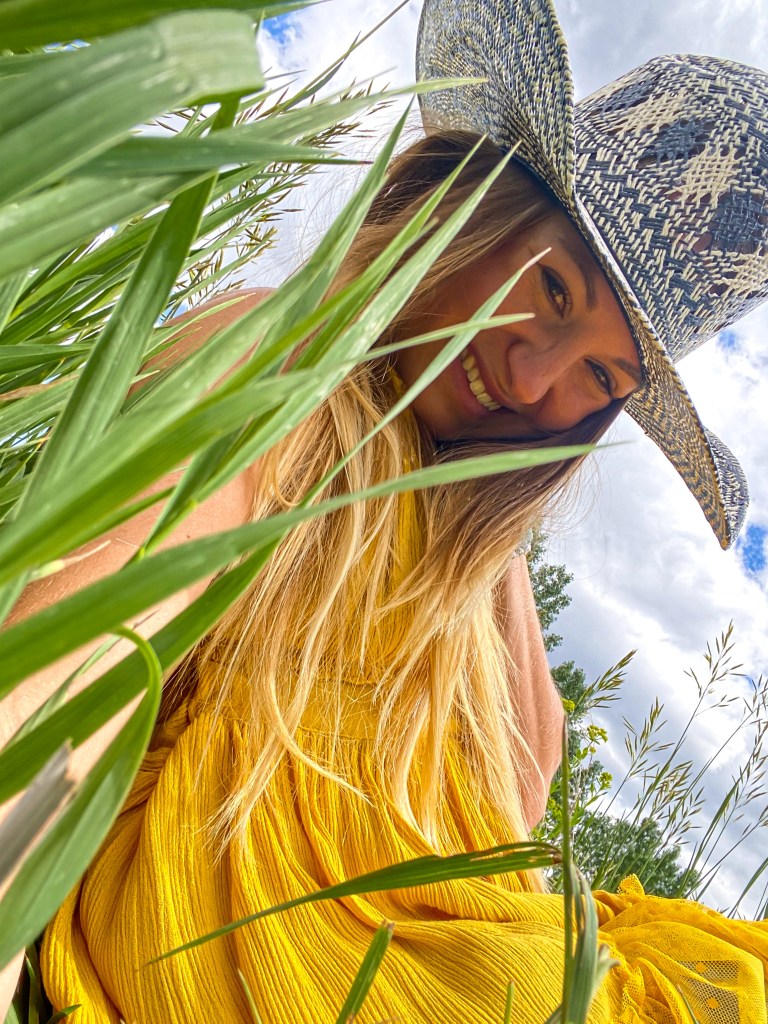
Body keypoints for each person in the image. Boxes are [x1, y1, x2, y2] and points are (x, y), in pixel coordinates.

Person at [3, 0, 768, 1020]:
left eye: (599, 375)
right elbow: (74, 663)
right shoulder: (287, 376)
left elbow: (519, 792)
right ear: (473, 206)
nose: (534, 380)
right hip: (251, 958)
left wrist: (486, 538)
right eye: (551, 289)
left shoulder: (466, 586)